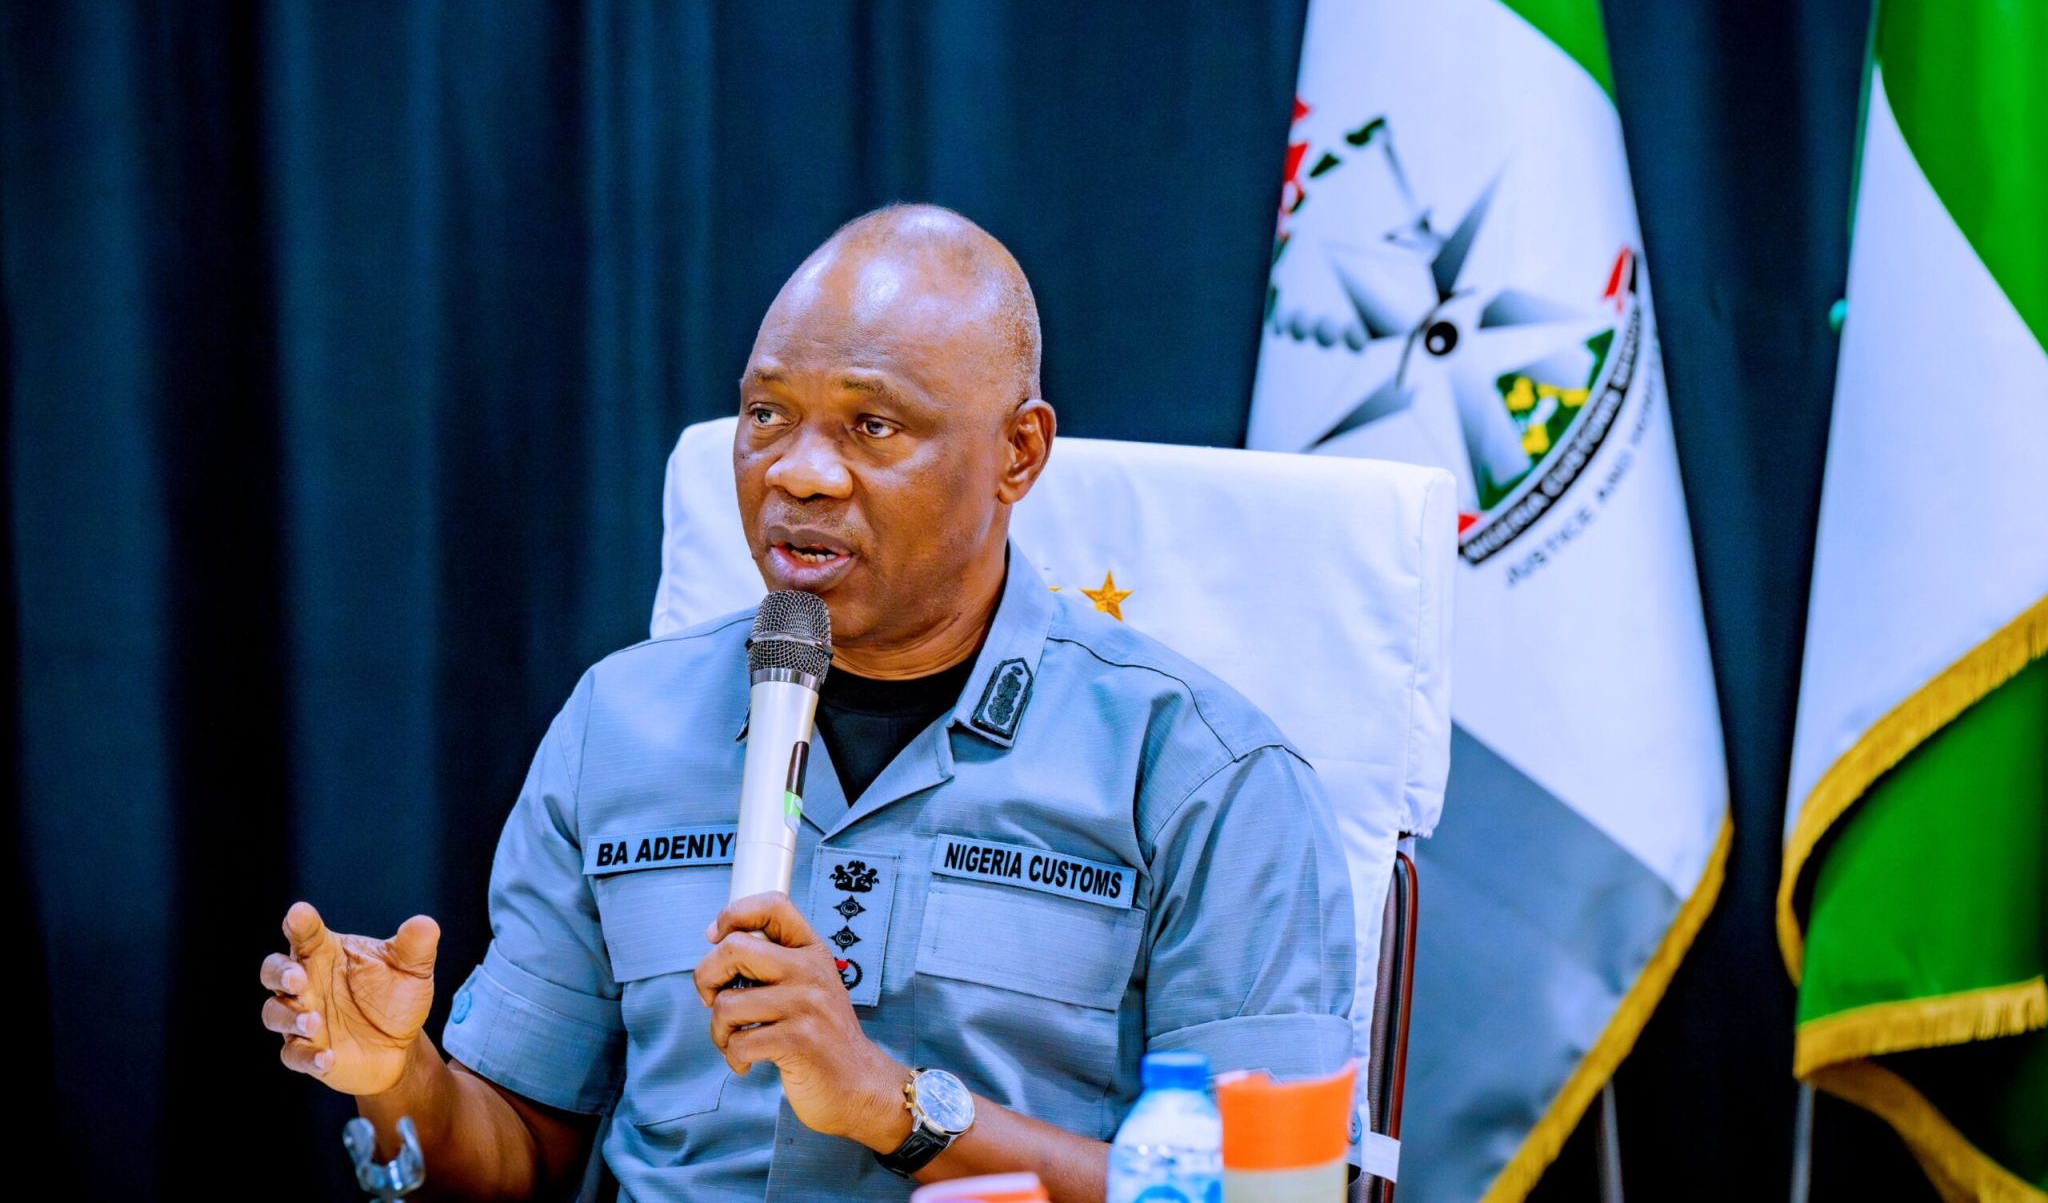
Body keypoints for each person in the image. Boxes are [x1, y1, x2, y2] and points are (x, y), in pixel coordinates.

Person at [258, 205, 1357, 1201]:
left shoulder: (1199, 773)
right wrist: (397, 1078)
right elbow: (512, 1156)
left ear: (1017, 453)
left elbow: (1274, 1196)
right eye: (766, 413)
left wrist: (893, 1106)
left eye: (872, 426)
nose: (799, 472)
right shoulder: (619, 723)